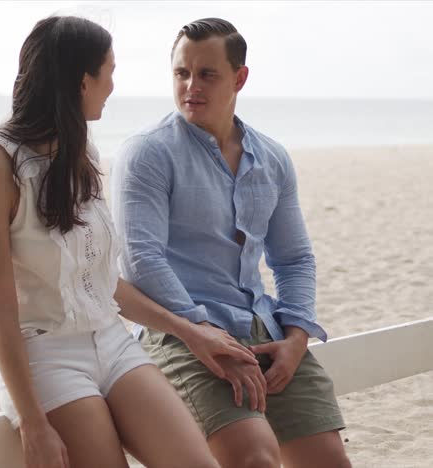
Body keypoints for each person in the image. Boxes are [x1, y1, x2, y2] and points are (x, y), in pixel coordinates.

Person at [0, 15, 255, 468]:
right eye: (110, 72)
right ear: (84, 81)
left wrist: (188, 330)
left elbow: (101, 282)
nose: (113, 85)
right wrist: (33, 421)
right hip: (46, 358)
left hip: (112, 342)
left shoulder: (80, 151)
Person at [112, 17, 352, 468]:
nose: (191, 86)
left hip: (265, 330)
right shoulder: (147, 152)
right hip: (181, 334)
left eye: (207, 74)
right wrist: (207, 335)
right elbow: (140, 261)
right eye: (182, 73)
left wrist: (297, 336)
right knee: (253, 457)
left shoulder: (273, 157)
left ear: (239, 77)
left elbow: (294, 258)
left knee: (329, 461)